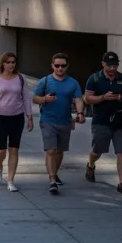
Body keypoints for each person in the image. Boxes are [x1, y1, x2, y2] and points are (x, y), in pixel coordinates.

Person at [84, 52, 122, 198]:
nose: (112, 68)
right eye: (109, 65)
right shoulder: (94, 79)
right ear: (103, 64)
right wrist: (103, 97)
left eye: (115, 65)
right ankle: (91, 164)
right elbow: (87, 99)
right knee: (97, 151)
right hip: (101, 121)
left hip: (121, 122)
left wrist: (121, 97)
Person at [32, 53, 85, 195]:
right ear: (52, 66)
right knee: (51, 151)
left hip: (65, 121)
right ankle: (52, 181)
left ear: (67, 67)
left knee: (60, 151)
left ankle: (54, 173)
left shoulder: (73, 83)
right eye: (57, 65)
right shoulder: (45, 81)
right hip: (48, 120)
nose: (60, 68)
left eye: (63, 66)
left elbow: (79, 99)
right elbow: (35, 98)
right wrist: (44, 99)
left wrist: (80, 114)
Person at [0, 52, 34, 192]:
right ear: (3, 63)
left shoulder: (20, 79)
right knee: (1, 150)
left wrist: (29, 117)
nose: (11, 65)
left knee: (14, 148)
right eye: (8, 62)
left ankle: (11, 180)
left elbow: (26, 98)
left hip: (17, 117)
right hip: (0, 117)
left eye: (13, 62)